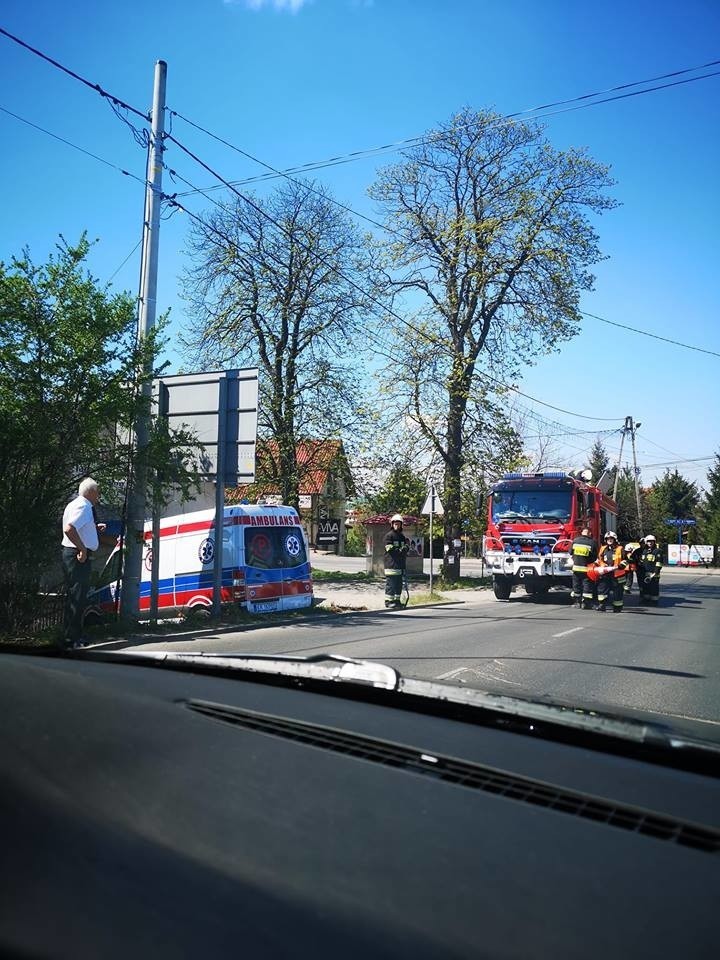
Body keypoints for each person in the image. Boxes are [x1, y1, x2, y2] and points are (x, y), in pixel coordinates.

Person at [60, 477, 101, 649]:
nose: (99, 496)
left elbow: (77, 527)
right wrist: (83, 549)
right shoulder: (84, 506)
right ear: (90, 492)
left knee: (75, 595)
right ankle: (72, 638)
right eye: (98, 492)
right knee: (78, 596)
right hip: (77, 556)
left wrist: (94, 529)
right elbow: (69, 529)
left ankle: (71, 634)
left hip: (71, 553)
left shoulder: (74, 504)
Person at [595, 530, 627, 613]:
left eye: (611, 538)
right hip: (605, 573)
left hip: (617, 574)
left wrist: (621, 565)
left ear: (615, 539)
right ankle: (602, 605)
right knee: (602, 589)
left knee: (618, 592)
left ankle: (617, 607)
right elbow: (599, 559)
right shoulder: (603, 549)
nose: (609, 540)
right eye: (608, 539)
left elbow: (626, 560)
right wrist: (602, 565)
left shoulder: (620, 549)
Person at [384, 514, 409, 608]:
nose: (396, 525)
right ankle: (388, 602)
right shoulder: (389, 536)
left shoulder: (402, 537)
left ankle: (397, 601)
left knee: (399, 585)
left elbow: (406, 547)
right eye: (395, 524)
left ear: (401, 525)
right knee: (391, 584)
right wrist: (400, 551)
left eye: (398, 524)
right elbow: (389, 549)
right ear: (392, 524)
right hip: (391, 565)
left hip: (400, 566)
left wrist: (405, 548)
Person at [570, 527, 598, 610]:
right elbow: (595, 556)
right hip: (587, 569)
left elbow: (570, 552)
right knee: (587, 587)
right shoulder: (592, 543)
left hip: (576, 569)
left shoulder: (575, 540)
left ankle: (577, 603)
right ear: (589, 533)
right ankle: (586, 604)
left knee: (576, 586)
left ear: (582, 532)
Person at [637, 534, 662, 605]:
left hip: (654, 574)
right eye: (648, 541)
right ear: (646, 542)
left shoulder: (657, 551)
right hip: (645, 573)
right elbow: (642, 562)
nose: (650, 543)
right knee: (645, 588)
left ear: (654, 542)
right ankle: (646, 599)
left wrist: (655, 572)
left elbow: (659, 563)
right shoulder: (644, 551)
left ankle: (654, 601)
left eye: (652, 541)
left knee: (654, 588)